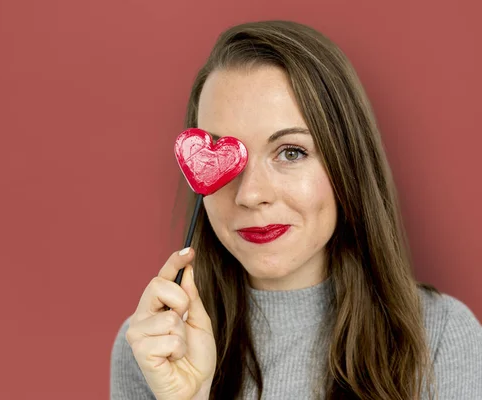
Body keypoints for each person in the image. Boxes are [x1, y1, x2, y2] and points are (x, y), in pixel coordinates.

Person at [109, 20, 482, 400]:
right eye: (225, 157)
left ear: (346, 165)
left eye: (291, 152)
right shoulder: (154, 345)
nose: (250, 195)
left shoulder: (441, 336)